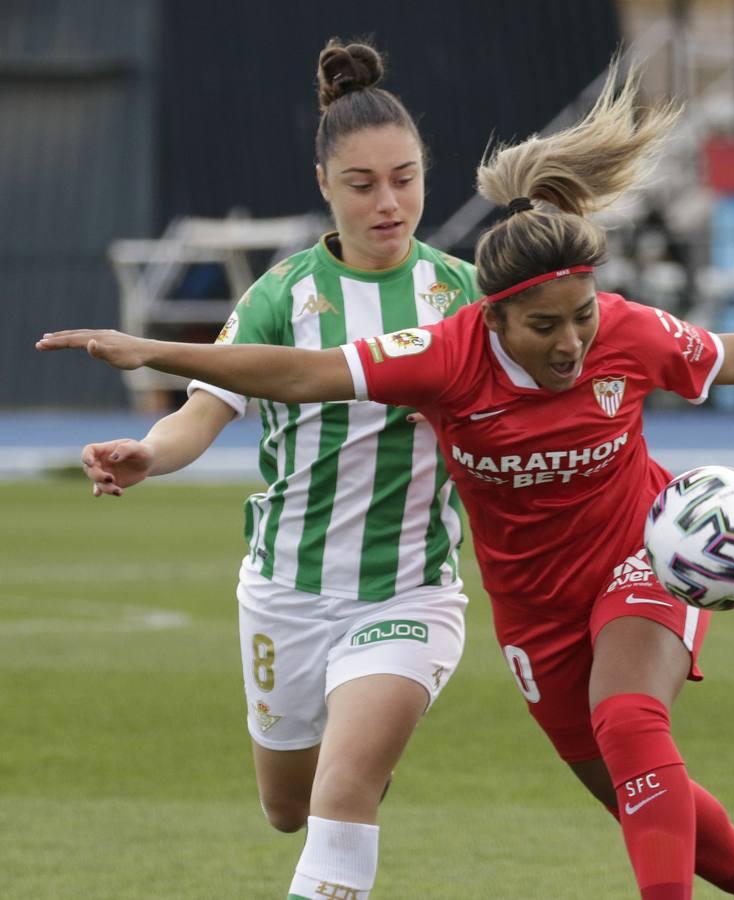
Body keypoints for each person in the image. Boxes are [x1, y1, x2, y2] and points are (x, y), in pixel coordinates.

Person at [39, 62, 734, 899]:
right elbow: (296, 375)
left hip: (572, 565)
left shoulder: (568, 315)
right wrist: (151, 372)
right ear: (497, 317)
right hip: (467, 601)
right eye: (362, 182)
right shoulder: (430, 347)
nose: (570, 343)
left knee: (620, 728)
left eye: (405, 177)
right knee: (600, 787)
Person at [76, 40, 479, 899]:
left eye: (405, 179)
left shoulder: (466, 295)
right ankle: (356, 767)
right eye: (363, 183)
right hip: (285, 591)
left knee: (341, 793)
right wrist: (148, 454)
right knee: (289, 809)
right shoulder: (280, 296)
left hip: (410, 589)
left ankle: (361, 764)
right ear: (324, 184)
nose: (389, 201)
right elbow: (200, 413)